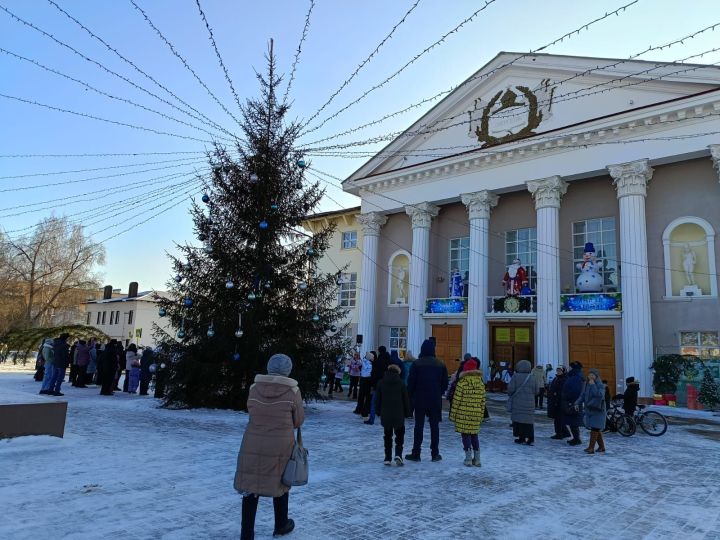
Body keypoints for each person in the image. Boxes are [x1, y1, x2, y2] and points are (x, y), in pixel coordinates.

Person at [234, 353, 304, 539]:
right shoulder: (293, 391)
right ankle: (281, 524)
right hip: (280, 443)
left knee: (250, 484)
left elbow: (251, 410)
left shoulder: (254, 388)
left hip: (253, 440)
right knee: (281, 481)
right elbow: (298, 420)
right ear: (288, 370)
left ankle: (246, 533)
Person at [405, 339, 448, 462]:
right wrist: (438, 392)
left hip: (420, 399)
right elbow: (445, 384)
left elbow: (411, 383)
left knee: (419, 426)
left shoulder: (416, 364)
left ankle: (416, 453)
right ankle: (435, 453)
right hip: (435, 400)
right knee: (435, 427)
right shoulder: (440, 364)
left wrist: (410, 396)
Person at [448, 358, 486, 467]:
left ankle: (468, 458)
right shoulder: (481, 383)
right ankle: (477, 459)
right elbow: (483, 401)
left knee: (465, 435)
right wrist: (481, 415)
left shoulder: (462, 383)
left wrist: (453, 415)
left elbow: (456, 401)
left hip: (463, 414)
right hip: (476, 414)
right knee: (474, 435)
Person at [375, 363, 411, 466]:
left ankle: (387, 457)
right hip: (398, 413)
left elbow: (378, 399)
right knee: (399, 436)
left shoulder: (381, 382)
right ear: (398, 372)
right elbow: (405, 399)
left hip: (385, 413)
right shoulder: (401, 383)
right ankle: (398, 454)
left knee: (387, 435)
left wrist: (377, 411)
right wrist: (408, 412)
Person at [574, 368, 606, 454]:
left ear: (596, 376)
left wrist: (593, 385)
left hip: (598, 410)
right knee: (595, 428)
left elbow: (600, 395)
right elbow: (582, 395)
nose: (591, 376)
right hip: (589, 409)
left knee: (595, 428)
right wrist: (576, 403)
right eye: (590, 375)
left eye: (593, 375)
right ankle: (601, 447)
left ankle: (591, 448)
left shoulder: (600, 384)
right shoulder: (586, 384)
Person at [508, 360, 539, 445]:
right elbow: (537, 391)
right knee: (528, 421)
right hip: (529, 404)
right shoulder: (532, 377)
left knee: (519, 420)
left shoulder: (515, 377)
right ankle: (531, 439)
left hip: (518, 403)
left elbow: (510, 390)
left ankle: (521, 438)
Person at [562, 361, 585, 446]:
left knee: (574, 421)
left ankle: (577, 439)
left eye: (570, 367)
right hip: (572, 402)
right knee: (572, 421)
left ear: (574, 368)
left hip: (573, 402)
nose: (569, 368)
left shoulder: (576, 377)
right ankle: (575, 438)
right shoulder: (574, 376)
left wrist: (565, 396)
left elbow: (575, 391)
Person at [366, 347, 390, 425]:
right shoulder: (389, 360)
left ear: (379, 352)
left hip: (377, 384)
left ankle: (371, 419)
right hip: (386, 383)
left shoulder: (378, 361)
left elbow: (374, 374)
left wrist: (372, 385)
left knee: (373, 402)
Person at [547, 366, 571, 439]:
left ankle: (559, 434)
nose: (558, 372)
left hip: (560, 402)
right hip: (555, 401)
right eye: (557, 370)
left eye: (560, 370)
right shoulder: (556, 378)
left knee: (558, 419)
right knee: (559, 418)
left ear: (563, 371)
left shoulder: (564, 379)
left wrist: (556, 395)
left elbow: (562, 391)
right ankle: (566, 433)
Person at [356, 351, 374, 418]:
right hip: (367, 380)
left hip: (363, 380)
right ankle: (364, 411)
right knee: (367, 396)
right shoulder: (369, 364)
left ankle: (359, 409)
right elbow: (369, 370)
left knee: (361, 395)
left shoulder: (363, 362)